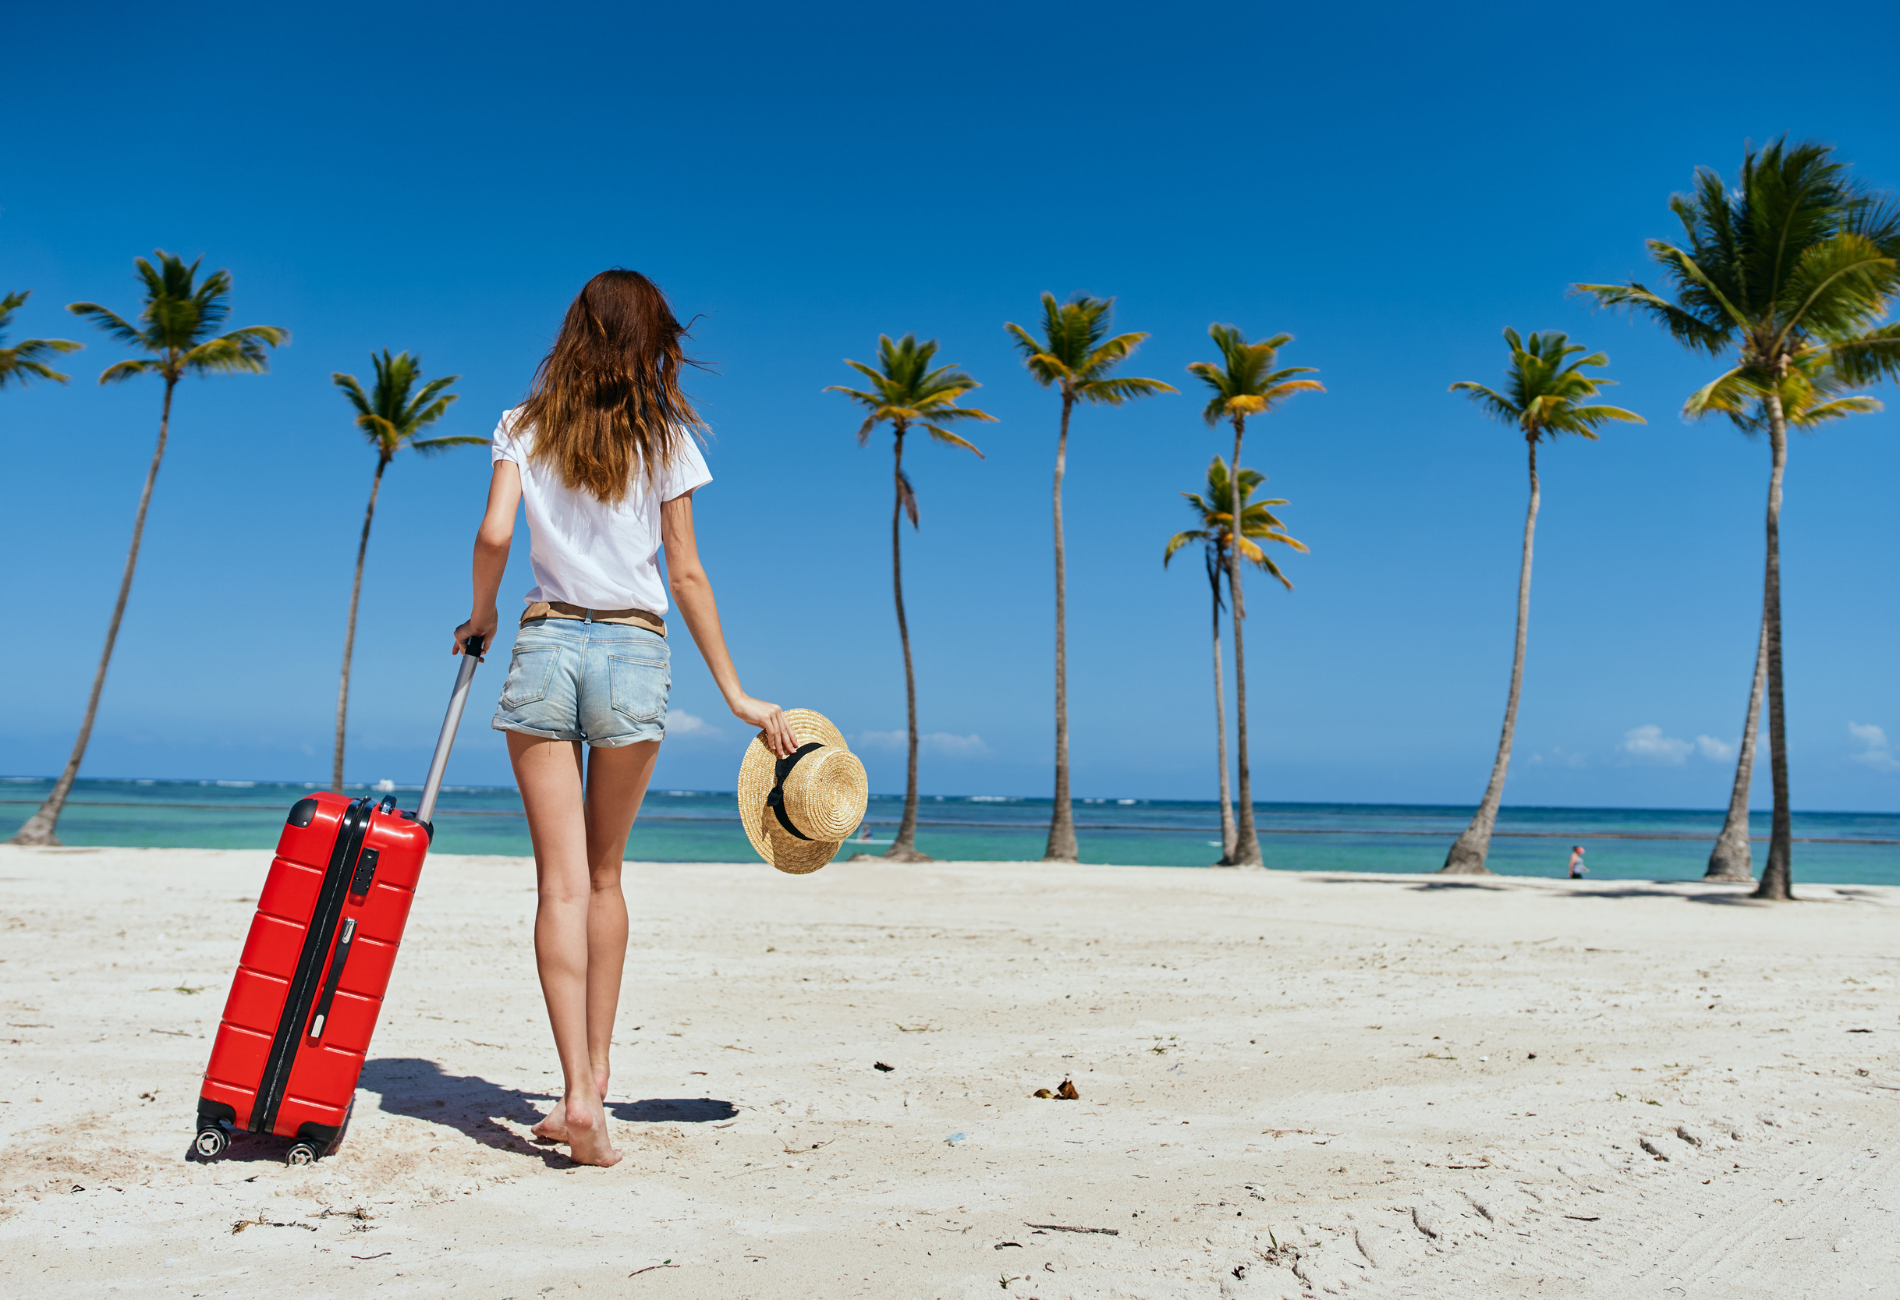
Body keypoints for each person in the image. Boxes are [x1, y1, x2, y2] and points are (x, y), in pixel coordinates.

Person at [453, 269, 796, 1167]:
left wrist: (483, 612)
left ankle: (574, 1095)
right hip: (636, 656)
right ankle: (594, 1084)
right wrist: (736, 694)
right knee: (605, 880)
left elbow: (495, 535)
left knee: (558, 886)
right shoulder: (666, 438)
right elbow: (685, 573)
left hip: (547, 644)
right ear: (654, 342)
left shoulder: (521, 426)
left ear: (574, 332)